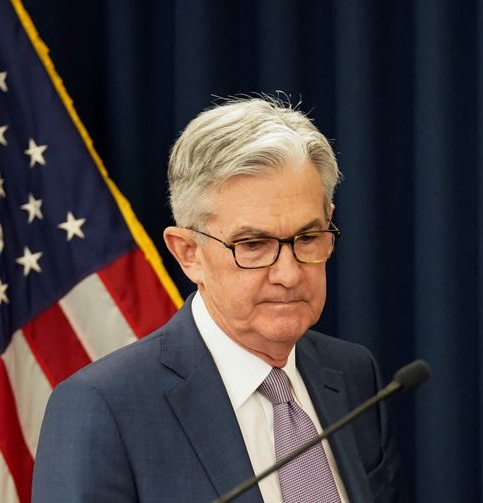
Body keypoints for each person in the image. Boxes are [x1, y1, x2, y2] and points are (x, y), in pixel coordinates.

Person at [31, 97, 401, 502]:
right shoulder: (103, 407)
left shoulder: (353, 374)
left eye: (308, 238)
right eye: (254, 244)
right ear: (188, 253)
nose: (289, 274)